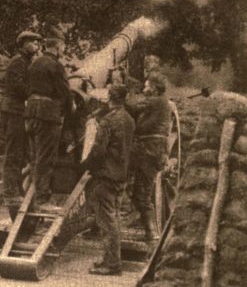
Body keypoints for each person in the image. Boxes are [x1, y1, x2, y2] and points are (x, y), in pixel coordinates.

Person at [83, 84, 135, 276]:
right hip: (121, 175)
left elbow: (99, 150)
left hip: (106, 175)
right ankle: (109, 259)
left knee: (107, 221)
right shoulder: (129, 119)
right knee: (114, 218)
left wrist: (87, 164)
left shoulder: (108, 121)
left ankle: (112, 264)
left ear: (109, 99)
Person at [24, 29, 73, 209]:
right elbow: (65, 93)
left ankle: (31, 193)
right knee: (46, 158)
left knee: (36, 157)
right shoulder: (56, 66)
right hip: (47, 115)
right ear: (58, 46)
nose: (63, 50)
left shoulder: (34, 64)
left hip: (31, 113)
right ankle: (42, 199)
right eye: (63, 47)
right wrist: (71, 111)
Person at [1, 30, 43, 218]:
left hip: (21, 111)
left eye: (37, 41)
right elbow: (18, 86)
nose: (36, 44)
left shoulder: (27, 62)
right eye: (32, 41)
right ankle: (11, 190)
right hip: (14, 111)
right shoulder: (17, 62)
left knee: (23, 152)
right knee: (14, 152)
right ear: (23, 44)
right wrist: (36, 92)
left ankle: (18, 188)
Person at [126, 72, 171, 242]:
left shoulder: (157, 101)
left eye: (146, 86)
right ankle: (150, 232)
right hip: (148, 149)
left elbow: (132, 105)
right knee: (139, 193)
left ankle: (152, 233)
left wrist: (123, 90)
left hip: (150, 149)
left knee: (142, 193)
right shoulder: (158, 102)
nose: (144, 89)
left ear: (153, 88)